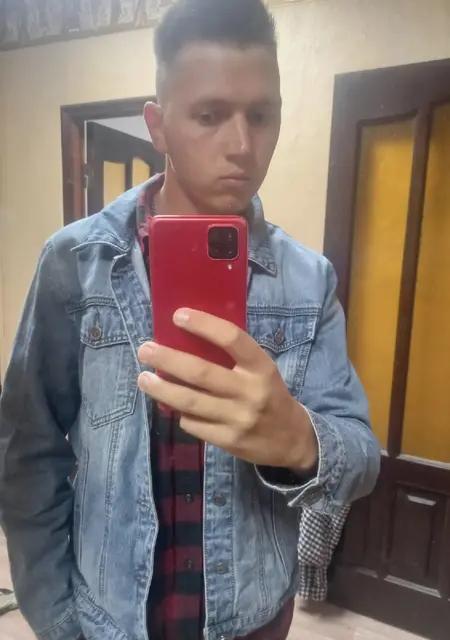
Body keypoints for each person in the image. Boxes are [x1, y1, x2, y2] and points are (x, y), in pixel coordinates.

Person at [0, 0, 380, 639]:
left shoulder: (308, 280)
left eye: (262, 115)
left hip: (253, 621)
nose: (242, 145)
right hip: (107, 621)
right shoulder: (76, 262)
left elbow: (363, 456)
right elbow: (26, 450)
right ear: (158, 125)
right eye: (209, 115)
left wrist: (300, 441)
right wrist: (57, 617)